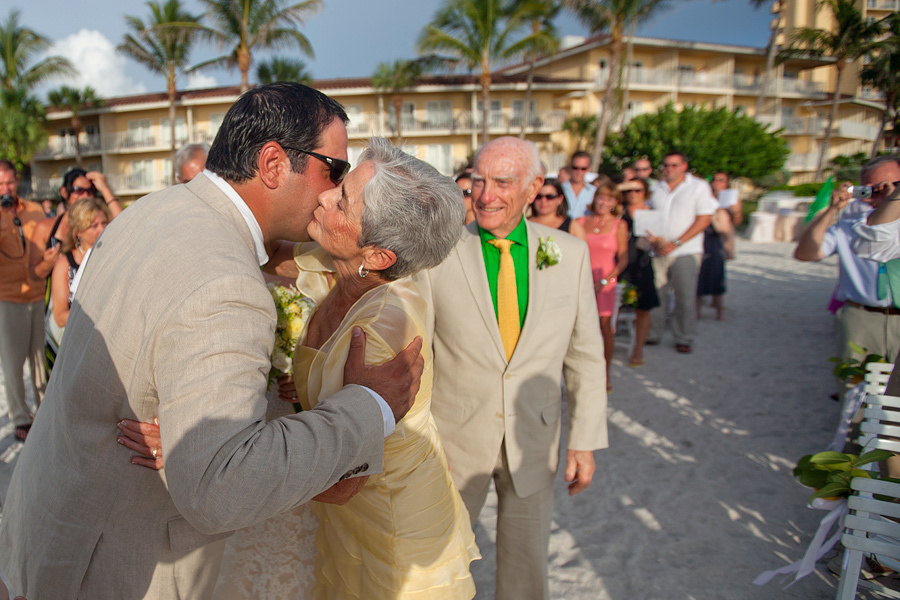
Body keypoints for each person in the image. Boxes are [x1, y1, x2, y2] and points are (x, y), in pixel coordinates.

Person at [0, 82, 424, 600]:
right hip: (116, 562)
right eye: (333, 170)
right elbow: (221, 487)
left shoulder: (150, 211)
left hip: (54, 523)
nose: (335, 191)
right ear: (272, 163)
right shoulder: (227, 280)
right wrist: (371, 407)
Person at [122, 138, 481, 600]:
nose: (326, 195)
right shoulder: (341, 261)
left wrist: (201, 456)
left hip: (390, 534)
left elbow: (342, 487)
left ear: (377, 256)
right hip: (345, 527)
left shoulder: (382, 334)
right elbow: (249, 241)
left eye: (343, 200)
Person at [421, 136, 609, 600]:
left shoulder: (570, 253)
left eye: (502, 182)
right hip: (455, 441)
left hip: (534, 440)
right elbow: (417, 351)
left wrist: (584, 441)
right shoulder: (438, 254)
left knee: (526, 566)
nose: (486, 196)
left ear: (533, 187)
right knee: (439, 565)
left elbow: (585, 354)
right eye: (478, 181)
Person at [796, 155, 900, 365]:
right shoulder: (849, 229)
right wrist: (832, 209)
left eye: (890, 186)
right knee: (855, 387)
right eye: (872, 188)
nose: (881, 192)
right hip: (861, 318)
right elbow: (806, 254)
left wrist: (892, 204)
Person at [646, 151, 717, 354]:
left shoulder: (698, 187)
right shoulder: (656, 188)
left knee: (684, 296)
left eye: (674, 165)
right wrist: (654, 241)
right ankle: (653, 333)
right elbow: (648, 216)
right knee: (657, 294)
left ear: (684, 166)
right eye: (666, 165)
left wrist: (676, 243)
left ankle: (684, 336)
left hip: (686, 250)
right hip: (658, 250)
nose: (669, 169)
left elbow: (704, 219)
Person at [0, 160, 49, 442]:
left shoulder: (33, 210)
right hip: (7, 297)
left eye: (9, 182)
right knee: (13, 361)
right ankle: (20, 417)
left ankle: (43, 410)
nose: (6, 188)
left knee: (38, 358)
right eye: (0, 184)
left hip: (36, 293)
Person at [577, 182, 628, 389]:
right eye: (601, 197)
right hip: (582, 279)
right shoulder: (581, 221)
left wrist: (606, 280)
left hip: (606, 281)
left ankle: (605, 374)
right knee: (579, 327)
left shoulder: (619, 225)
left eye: (609, 199)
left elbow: (623, 258)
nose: (603, 202)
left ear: (615, 203)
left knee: (605, 327)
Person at [48, 198, 111, 332]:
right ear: (78, 231)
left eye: (105, 223)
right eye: (94, 226)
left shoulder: (113, 256)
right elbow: (59, 317)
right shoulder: (65, 264)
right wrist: (99, 316)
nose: (102, 229)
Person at [618, 178, 660, 367]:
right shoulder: (618, 212)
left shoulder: (652, 214)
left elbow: (660, 246)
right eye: (629, 190)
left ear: (646, 192)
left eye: (638, 190)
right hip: (620, 264)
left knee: (643, 309)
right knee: (613, 309)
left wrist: (655, 239)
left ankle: (638, 350)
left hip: (642, 264)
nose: (633, 194)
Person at [696, 171, 733, 321]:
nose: (717, 183)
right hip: (703, 236)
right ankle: (697, 311)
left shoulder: (730, 200)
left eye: (721, 180)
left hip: (717, 238)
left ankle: (719, 311)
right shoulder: (705, 198)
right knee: (699, 277)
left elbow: (733, 222)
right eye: (715, 180)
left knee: (718, 276)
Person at [561, 150, 597, 219]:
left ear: (589, 169)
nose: (579, 172)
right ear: (570, 167)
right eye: (575, 168)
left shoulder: (594, 192)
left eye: (583, 168)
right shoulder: (560, 189)